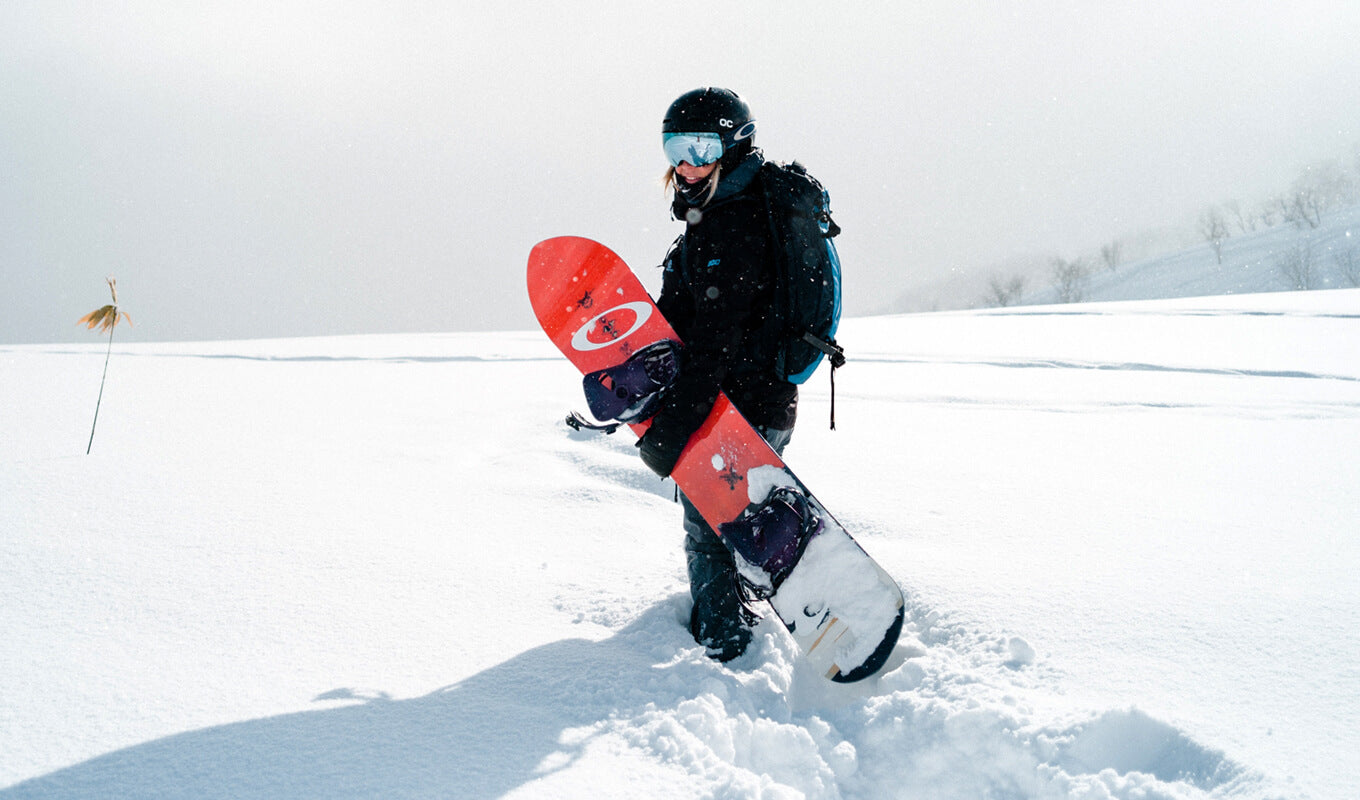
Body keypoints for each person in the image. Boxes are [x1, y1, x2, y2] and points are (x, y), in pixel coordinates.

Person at [636, 87, 798, 662]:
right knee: (728, 522)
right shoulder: (719, 215)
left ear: (733, 148)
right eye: (674, 145)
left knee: (709, 532)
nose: (685, 162)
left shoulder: (735, 225)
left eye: (701, 146)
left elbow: (715, 344)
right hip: (750, 404)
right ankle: (739, 612)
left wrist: (675, 425)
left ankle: (725, 648)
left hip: (738, 408)